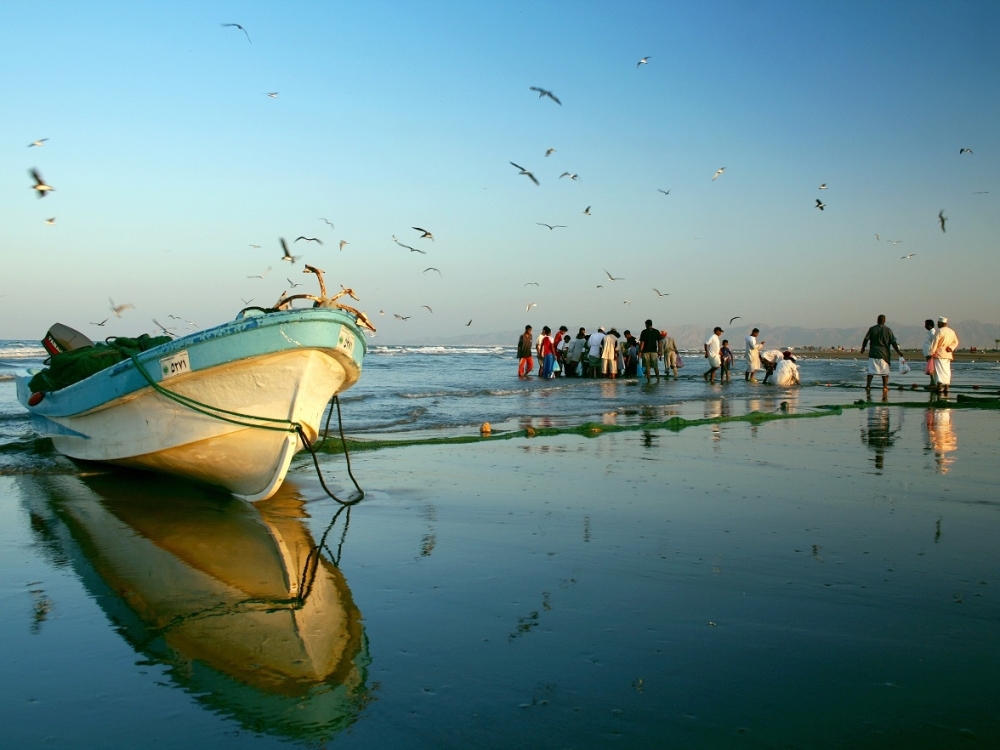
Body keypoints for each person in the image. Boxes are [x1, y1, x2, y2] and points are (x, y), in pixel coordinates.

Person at [860, 314, 903, 394]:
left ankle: (868, 386)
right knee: (885, 373)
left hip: (874, 353)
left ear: (877, 320)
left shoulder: (872, 329)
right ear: (884, 321)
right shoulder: (888, 330)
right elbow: (893, 342)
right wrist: (898, 352)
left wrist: (863, 348)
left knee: (871, 371)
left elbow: (866, 339)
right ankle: (885, 387)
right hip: (884, 354)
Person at [928, 316, 959, 397]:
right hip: (947, 354)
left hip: (939, 354)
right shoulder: (951, 332)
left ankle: (939, 388)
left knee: (939, 372)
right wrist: (951, 348)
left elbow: (935, 343)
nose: (937, 324)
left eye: (938, 323)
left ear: (942, 323)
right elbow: (956, 342)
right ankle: (946, 388)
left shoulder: (939, 331)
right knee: (947, 371)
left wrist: (931, 352)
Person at [921, 319, 938, 390]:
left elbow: (935, 343)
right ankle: (932, 382)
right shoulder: (930, 332)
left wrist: (932, 352)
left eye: (926, 324)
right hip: (928, 353)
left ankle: (933, 383)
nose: (924, 326)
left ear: (929, 325)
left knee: (931, 368)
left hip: (930, 353)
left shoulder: (933, 332)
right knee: (930, 368)